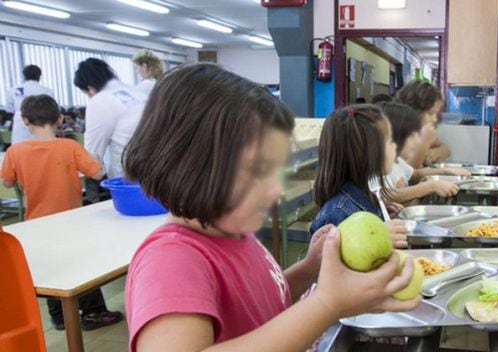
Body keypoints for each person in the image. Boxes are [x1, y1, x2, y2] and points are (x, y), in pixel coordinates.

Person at [122, 64, 420, 351]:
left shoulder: (237, 236)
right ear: (192, 166)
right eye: (258, 170)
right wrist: (326, 304)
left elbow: (266, 307)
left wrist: (308, 269)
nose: (277, 190)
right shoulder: (171, 260)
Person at [0, 94, 123, 331]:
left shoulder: (16, 151)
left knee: (52, 270)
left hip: (36, 224)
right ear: (59, 119)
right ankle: (93, 312)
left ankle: (59, 317)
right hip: (73, 220)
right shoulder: (69, 146)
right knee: (84, 265)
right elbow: (98, 174)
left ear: (25, 121)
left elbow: (6, 182)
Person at [310, 104, 409, 248]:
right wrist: (379, 235)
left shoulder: (366, 194)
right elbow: (332, 265)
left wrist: (381, 217)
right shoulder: (338, 213)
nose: (394, 146)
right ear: (367, 154)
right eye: (389, 141)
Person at [378, 102, 468, 205]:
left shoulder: (397, 161)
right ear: (396, 136)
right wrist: (431, 186)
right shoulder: (380, 167)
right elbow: (387, 195)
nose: (416, 141)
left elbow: (416, 174)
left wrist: (447, 170)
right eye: (412, 135)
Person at [74, 58, 147, 178]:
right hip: (159, 172)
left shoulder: (99, 101)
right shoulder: (137, 93)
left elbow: (92, 155)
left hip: (129, 177)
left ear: (90, 89)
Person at [396, 80, 451, 168]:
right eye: (430, 113)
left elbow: (446, 150)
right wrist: (424, 143)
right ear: (415, 110)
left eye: (436, 113)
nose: (435, 119)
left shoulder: (420, 132)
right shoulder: (397, 135)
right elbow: (408, 173)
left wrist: (433, 153)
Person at [6, 65, 54, 144]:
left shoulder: (13, 90)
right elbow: (52, 111)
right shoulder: (47, 91)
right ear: (39, 76)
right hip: (42, 123)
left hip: (20, 122)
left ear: (24, 75)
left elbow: (9, 111)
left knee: (19, 149)